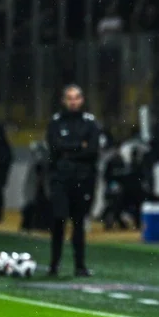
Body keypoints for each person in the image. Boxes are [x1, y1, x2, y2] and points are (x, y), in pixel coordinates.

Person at [46, 85, 102, 277]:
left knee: (79, 222)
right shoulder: (56, 122)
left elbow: (93, 150)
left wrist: (68, 149)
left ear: (82, 100)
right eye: (69, 98)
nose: (73, 101)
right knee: (58, 219)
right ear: (63, 100)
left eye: (77, 97)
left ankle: (80, 266)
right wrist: (79, 146)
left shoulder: (90, 123)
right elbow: (54, 147)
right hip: (61, 179)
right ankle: (54, 265)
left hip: (83, 179)